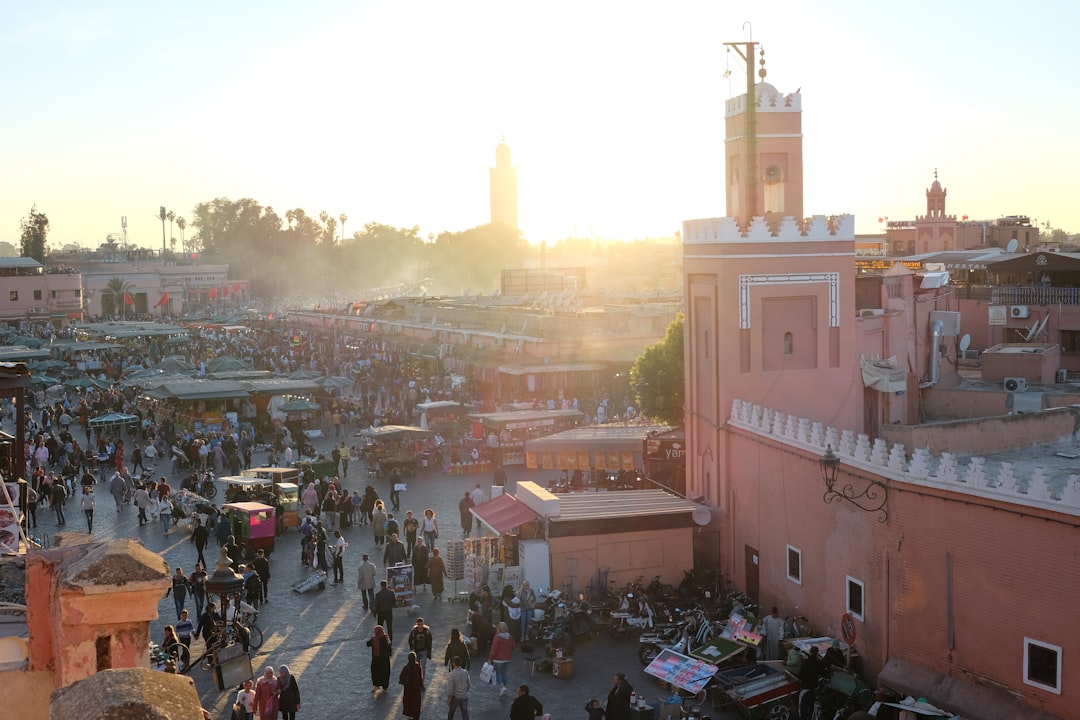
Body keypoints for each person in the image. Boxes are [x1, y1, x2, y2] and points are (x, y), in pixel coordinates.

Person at [489, 621, 516, 697]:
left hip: (498, 659)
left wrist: (490, 658)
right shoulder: (509, 636)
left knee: (498, 673)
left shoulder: (497, 637)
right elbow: (513, 646)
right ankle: (504, 687)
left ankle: (502, 686)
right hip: (507, 659)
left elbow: (493, 650)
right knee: (504, 673)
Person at [799, 646, 826, 720]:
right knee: (811, 707)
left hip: (805, 688)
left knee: (802, 709)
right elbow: (823, 673)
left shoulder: (806, 662)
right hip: (813, 689)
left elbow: (800, 675)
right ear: (817, 653)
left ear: (810, 652)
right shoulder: (818, 663)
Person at [399, 651, 425, 720]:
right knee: (416, 705)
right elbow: (420, 678)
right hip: (416, 691)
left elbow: (401, 678)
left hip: (409, 691)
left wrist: (405, 682)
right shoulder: (418, 666)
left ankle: (411, 716)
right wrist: (421, 685)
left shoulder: (406, 668)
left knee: (409, 704)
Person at [446, 655, 472, 720]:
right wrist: (465, 690)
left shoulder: (452, 674)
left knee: (451, 712)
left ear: (453, 663)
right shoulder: (465, 672)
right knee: (465, 713)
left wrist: (449, 699)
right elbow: (469, 684)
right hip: (464, 696)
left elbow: (451, 689)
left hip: (456, 696)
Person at [368, 624, 392, 692]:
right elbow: (389, 647)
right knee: (385, 672)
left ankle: (376, 685)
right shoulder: (386, 638)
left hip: (376, 659)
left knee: (375, 672)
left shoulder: (374, 639)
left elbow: (368, 644)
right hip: (385, 659)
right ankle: (385, 687)